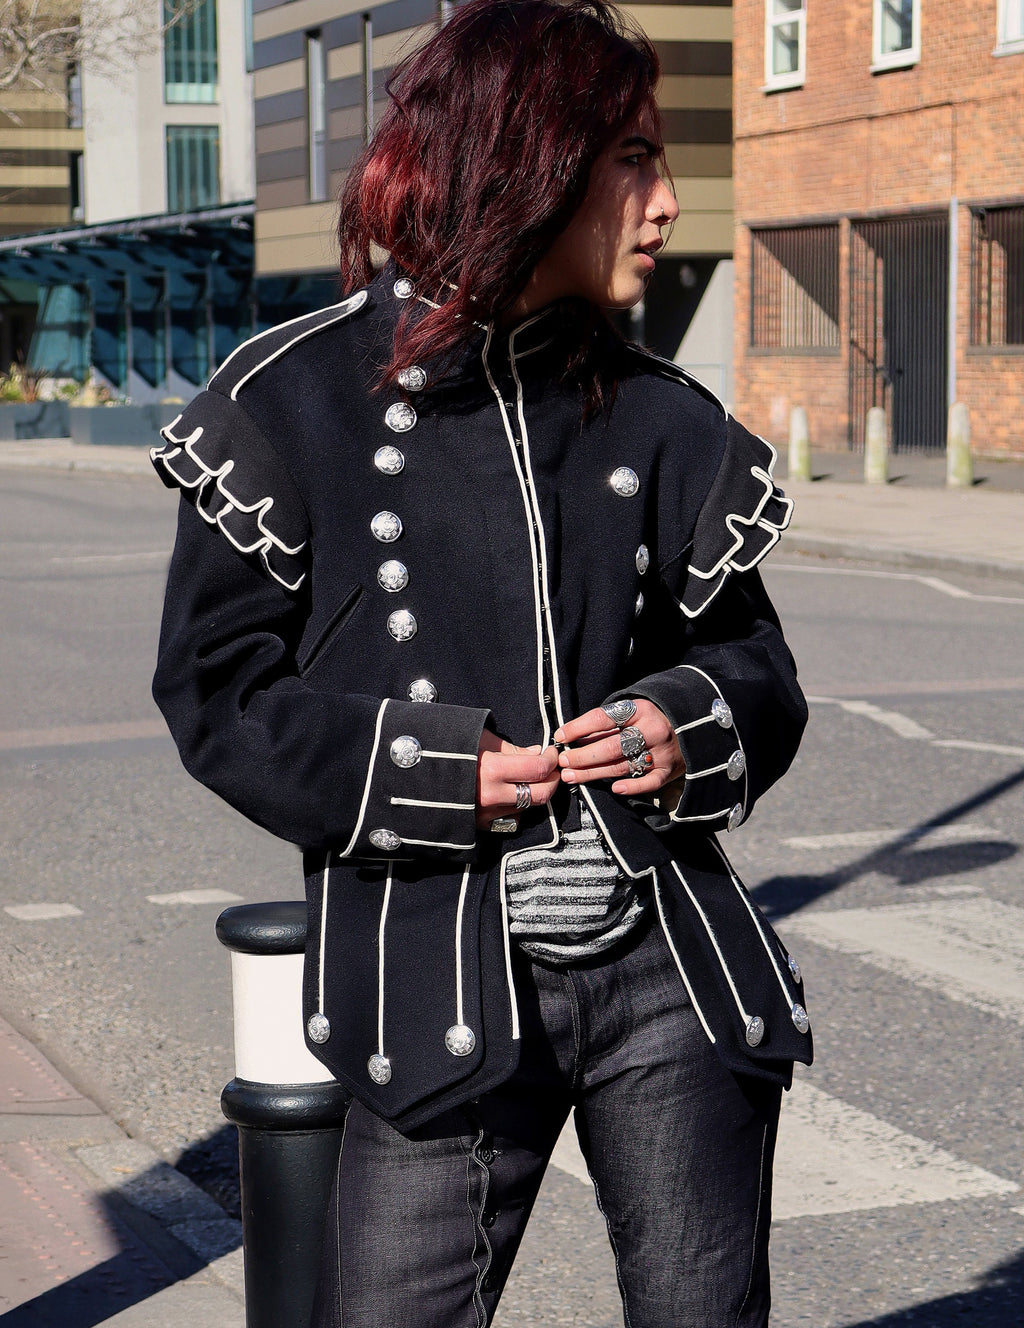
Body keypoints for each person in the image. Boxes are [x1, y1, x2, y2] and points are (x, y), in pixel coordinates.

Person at [150, 1, 812, 1323]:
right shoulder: (288, 403)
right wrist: (437, 771)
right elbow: (219, 694)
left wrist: (689, 720)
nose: (669, 203)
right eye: (631, 157)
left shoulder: (668, 419)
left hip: (671, 973)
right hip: (427, 981)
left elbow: (756, 662)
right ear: (527, 164)